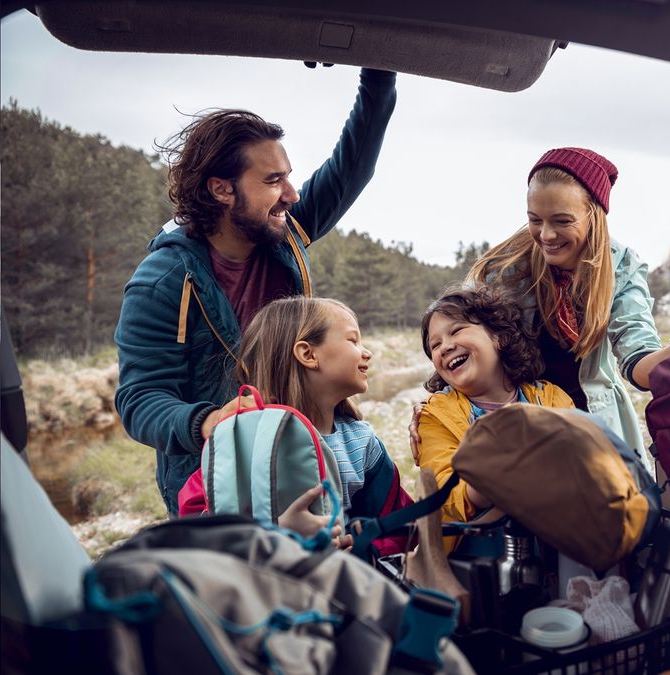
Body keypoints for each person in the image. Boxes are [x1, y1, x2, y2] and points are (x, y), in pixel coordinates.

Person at [114, 68, 397, 515]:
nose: (291, 194)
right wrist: (210, 421)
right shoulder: (163, 280)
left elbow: (353, 166)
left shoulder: (284, 232)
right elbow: (140, 399)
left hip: (303, 457)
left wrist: (378, 76)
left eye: (288, 176)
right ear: (222, 190)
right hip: (216, 483)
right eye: (272, 181)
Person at [423, 147, 670, 469]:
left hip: (593, 422)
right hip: (519, 419)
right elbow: (460, 338)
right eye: (535, 219)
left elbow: (639, 366)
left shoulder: (622, 269)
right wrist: (436, 409)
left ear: (594, 215)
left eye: (562, 221)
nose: (546, 235)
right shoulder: (505, 268)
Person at [178, 297, 413, 554]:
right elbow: (195, 529)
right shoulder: (243, 440)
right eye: (353, 340)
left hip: (342, 585)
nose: (367, 352)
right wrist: (274, 532)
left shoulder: (360, 442)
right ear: (308, 354)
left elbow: (398, 524)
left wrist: (362, 548)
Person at [416, 286, 575, 544]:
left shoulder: (551, 398)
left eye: (456, 331)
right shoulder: (435, 416)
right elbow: (442, 494)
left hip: (560, 537)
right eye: (435, 345)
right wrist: (494, 480)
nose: (445, 347)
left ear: (498, 337)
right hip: (481, 550)